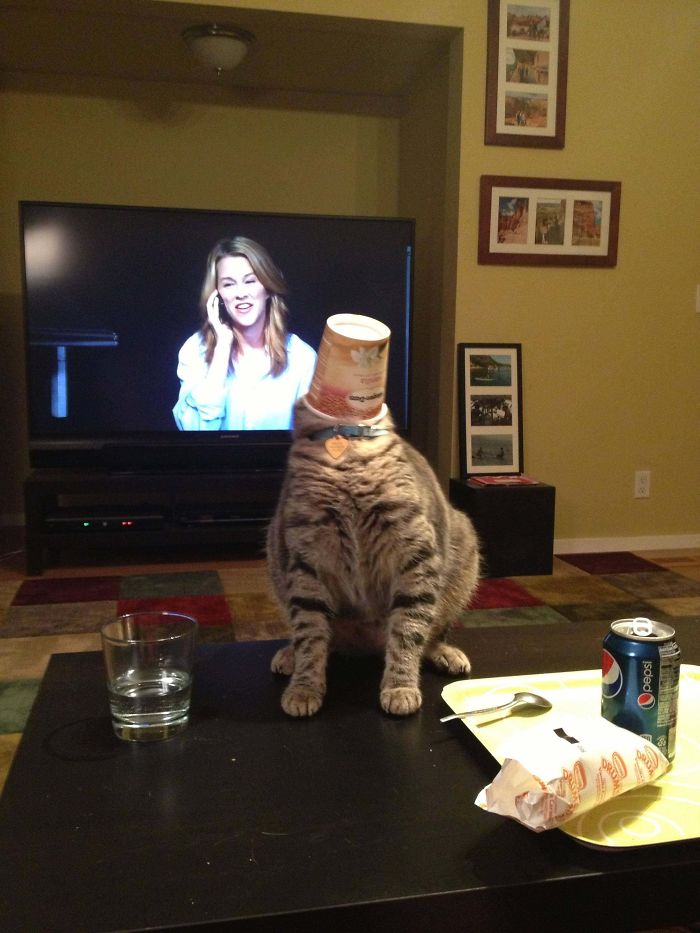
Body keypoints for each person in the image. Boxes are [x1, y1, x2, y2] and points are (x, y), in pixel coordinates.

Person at [173, 237, 317, 431]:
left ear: (267, 287)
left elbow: (310, 442)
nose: (241, 293)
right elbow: (194, 434)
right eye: (229, 284)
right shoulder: (195, 350)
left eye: (250, 281)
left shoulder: (303, 358)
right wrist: (222, 349)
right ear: (218, 296)